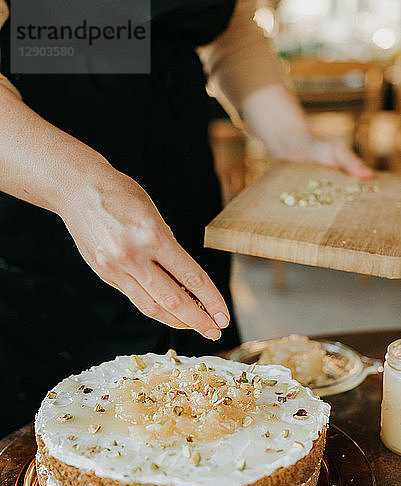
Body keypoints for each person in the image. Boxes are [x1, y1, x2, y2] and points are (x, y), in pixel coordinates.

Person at [0, 0, 372, 438]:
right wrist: (79, 191)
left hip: (183, 191)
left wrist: (293, 140)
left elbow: (230, 29)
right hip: (41, 206)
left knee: (213, 422)